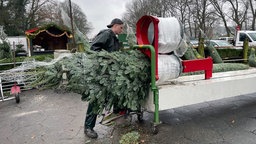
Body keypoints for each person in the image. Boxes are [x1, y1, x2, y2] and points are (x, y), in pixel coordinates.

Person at [84, 18, 124, 139]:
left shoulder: (114, 38)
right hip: (101, 73)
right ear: (115, 26)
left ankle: (117, 113)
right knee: (97, 98)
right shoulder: (106, 34)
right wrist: (106, 59)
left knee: (114, 92)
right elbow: (93, 49)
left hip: (109, 72)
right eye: (121, 27)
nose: (122, 30)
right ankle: (88, 127)